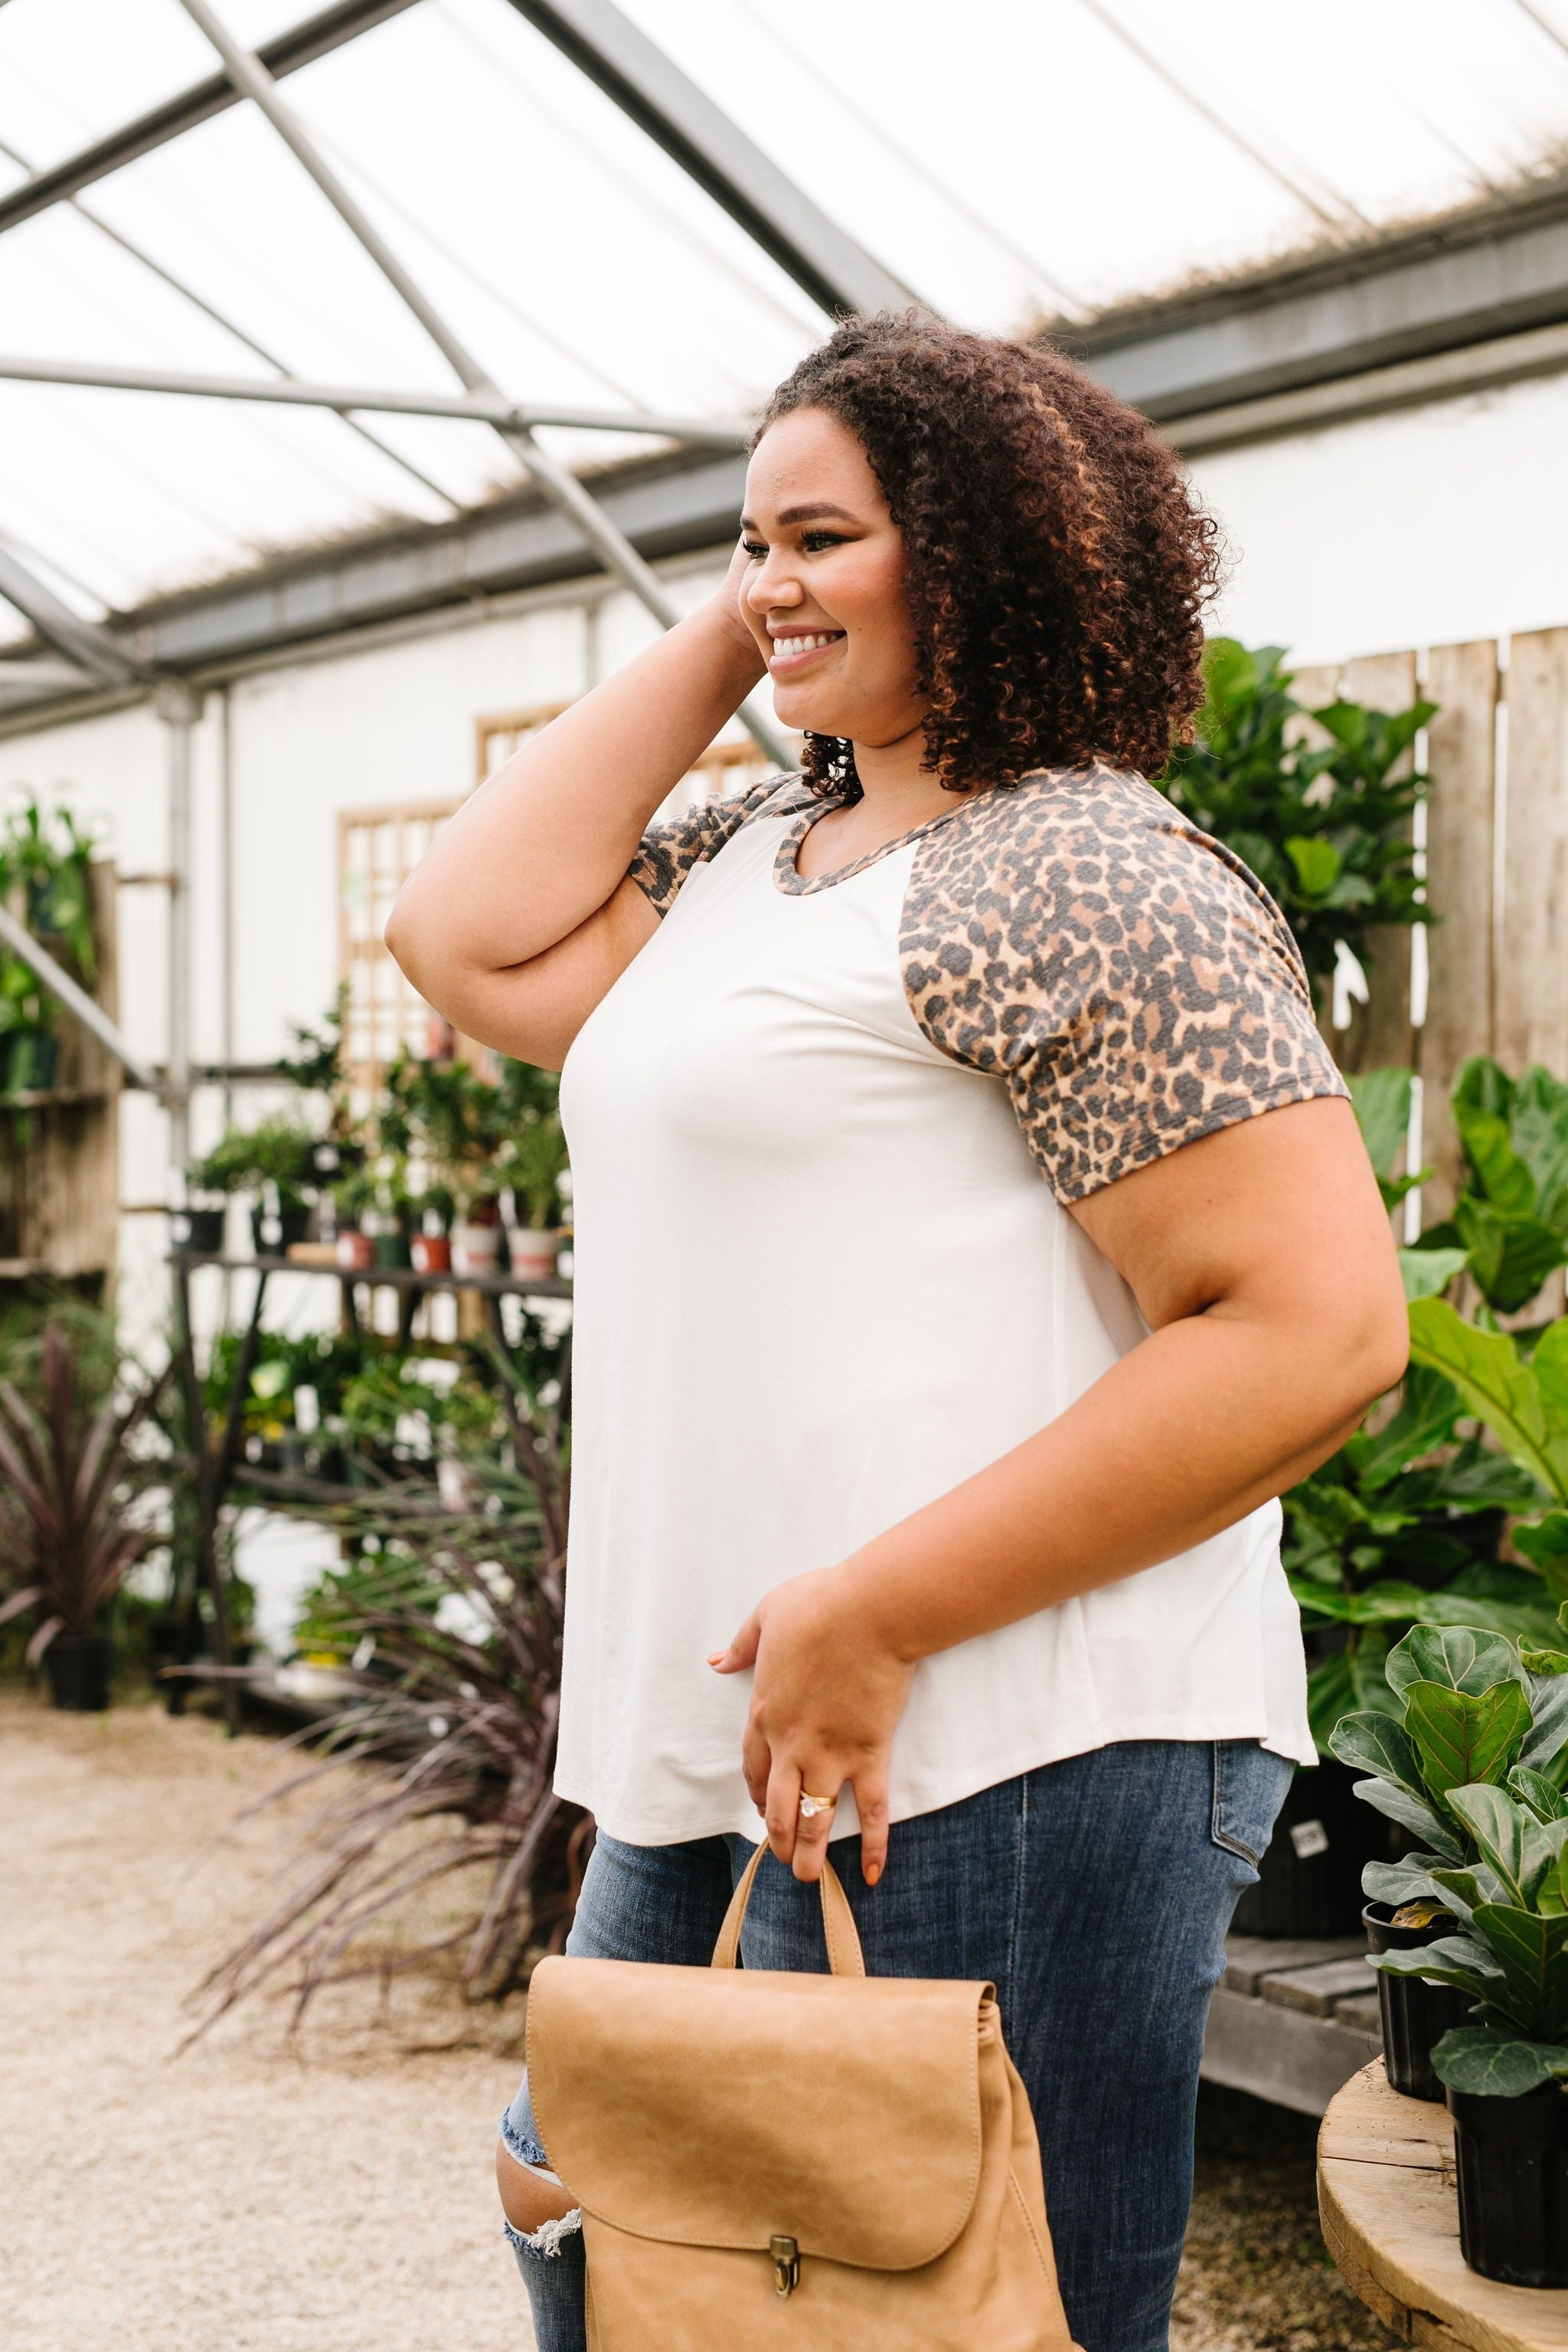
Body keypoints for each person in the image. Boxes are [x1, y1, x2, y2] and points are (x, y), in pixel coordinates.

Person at [384, 312, 1408, 2352]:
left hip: (996, 1752)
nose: (768, 577)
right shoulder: (752, 856)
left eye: (827, 534)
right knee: (605, 2250)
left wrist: (876, 1613)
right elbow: (462, 934)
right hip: (720, 1747)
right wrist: (767, 615)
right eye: (749, 537)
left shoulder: (1085, 868)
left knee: (957, 2309)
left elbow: (1314, 1331)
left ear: (980, 549)